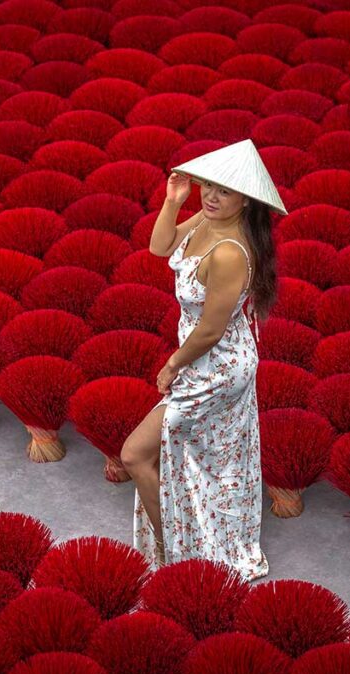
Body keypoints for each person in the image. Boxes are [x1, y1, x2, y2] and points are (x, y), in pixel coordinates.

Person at [120, 139, 288, 582]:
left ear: (246, 201)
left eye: (225, 191)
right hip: (202, 359)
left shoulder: (230, 252)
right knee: (201, 455)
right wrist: (174, 202)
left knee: (136, 454)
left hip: (217, 367)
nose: (211, 196)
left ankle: (180, 555)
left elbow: (212, 330)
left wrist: (173, 364)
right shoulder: (206, 220)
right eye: (208, 186)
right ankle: (188, 543)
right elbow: (160, 248)